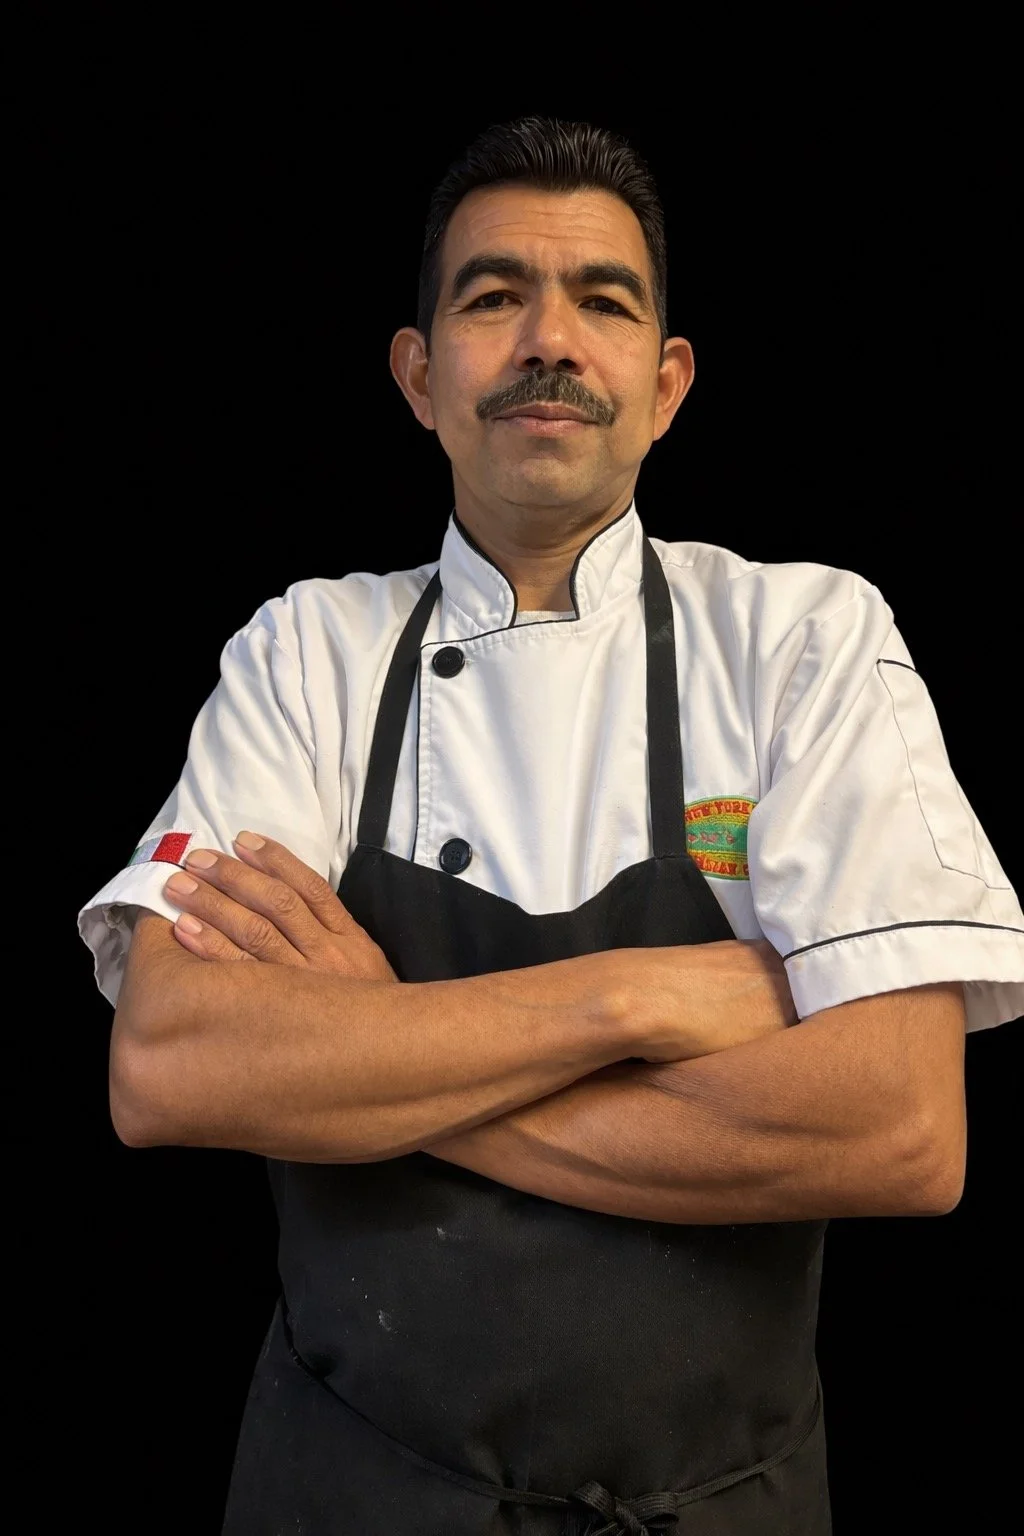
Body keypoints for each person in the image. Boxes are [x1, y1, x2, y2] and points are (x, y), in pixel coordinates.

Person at [78, 116, 1024, 1536]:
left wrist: (378, 1048)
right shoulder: (309, 653)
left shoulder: (805, 641)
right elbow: (169, 1064)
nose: (550, 341)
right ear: (419, 374)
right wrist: (644, 995)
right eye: (491, 295)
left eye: (604, 301)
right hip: (352, 1492)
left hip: (721, 1505)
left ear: (666, 382)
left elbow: (900, 1129)